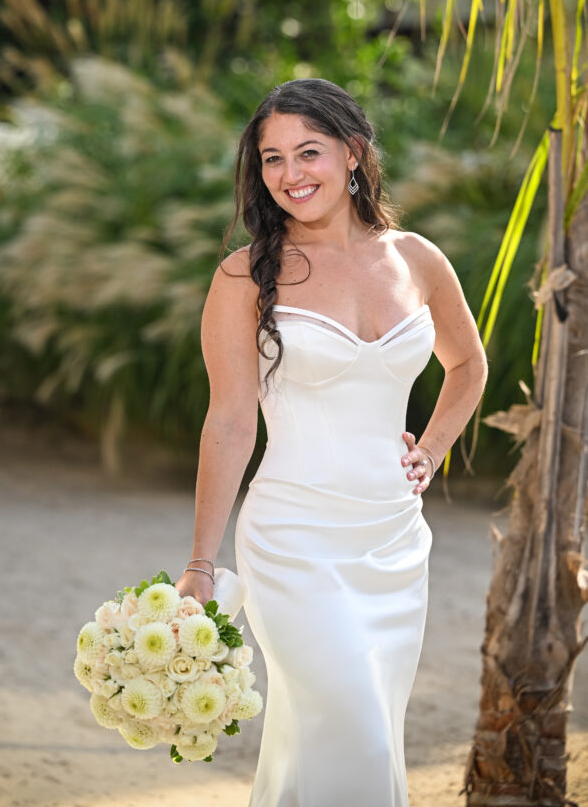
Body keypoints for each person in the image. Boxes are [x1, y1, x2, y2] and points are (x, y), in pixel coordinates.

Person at [174, 78, 488, 806]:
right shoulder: (243, 276)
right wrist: (199, 562)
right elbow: (228, 421)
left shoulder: (415, 258)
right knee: (353, 726)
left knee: (341, 729)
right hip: (292, 538)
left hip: (392, 540)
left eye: (307, 152)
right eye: (272, 159)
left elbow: (467, 364)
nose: (290, 175)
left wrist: (431, 448)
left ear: (352, 153)